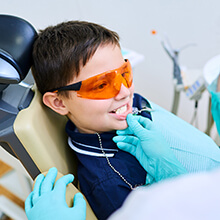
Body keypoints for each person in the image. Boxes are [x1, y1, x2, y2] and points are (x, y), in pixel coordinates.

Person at [30, 20, 220, 219]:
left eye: (125, 74)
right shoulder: (109, 183)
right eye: (102, 85)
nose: (124, 92)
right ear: (59, 103)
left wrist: (169, 169)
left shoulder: (123, 109)